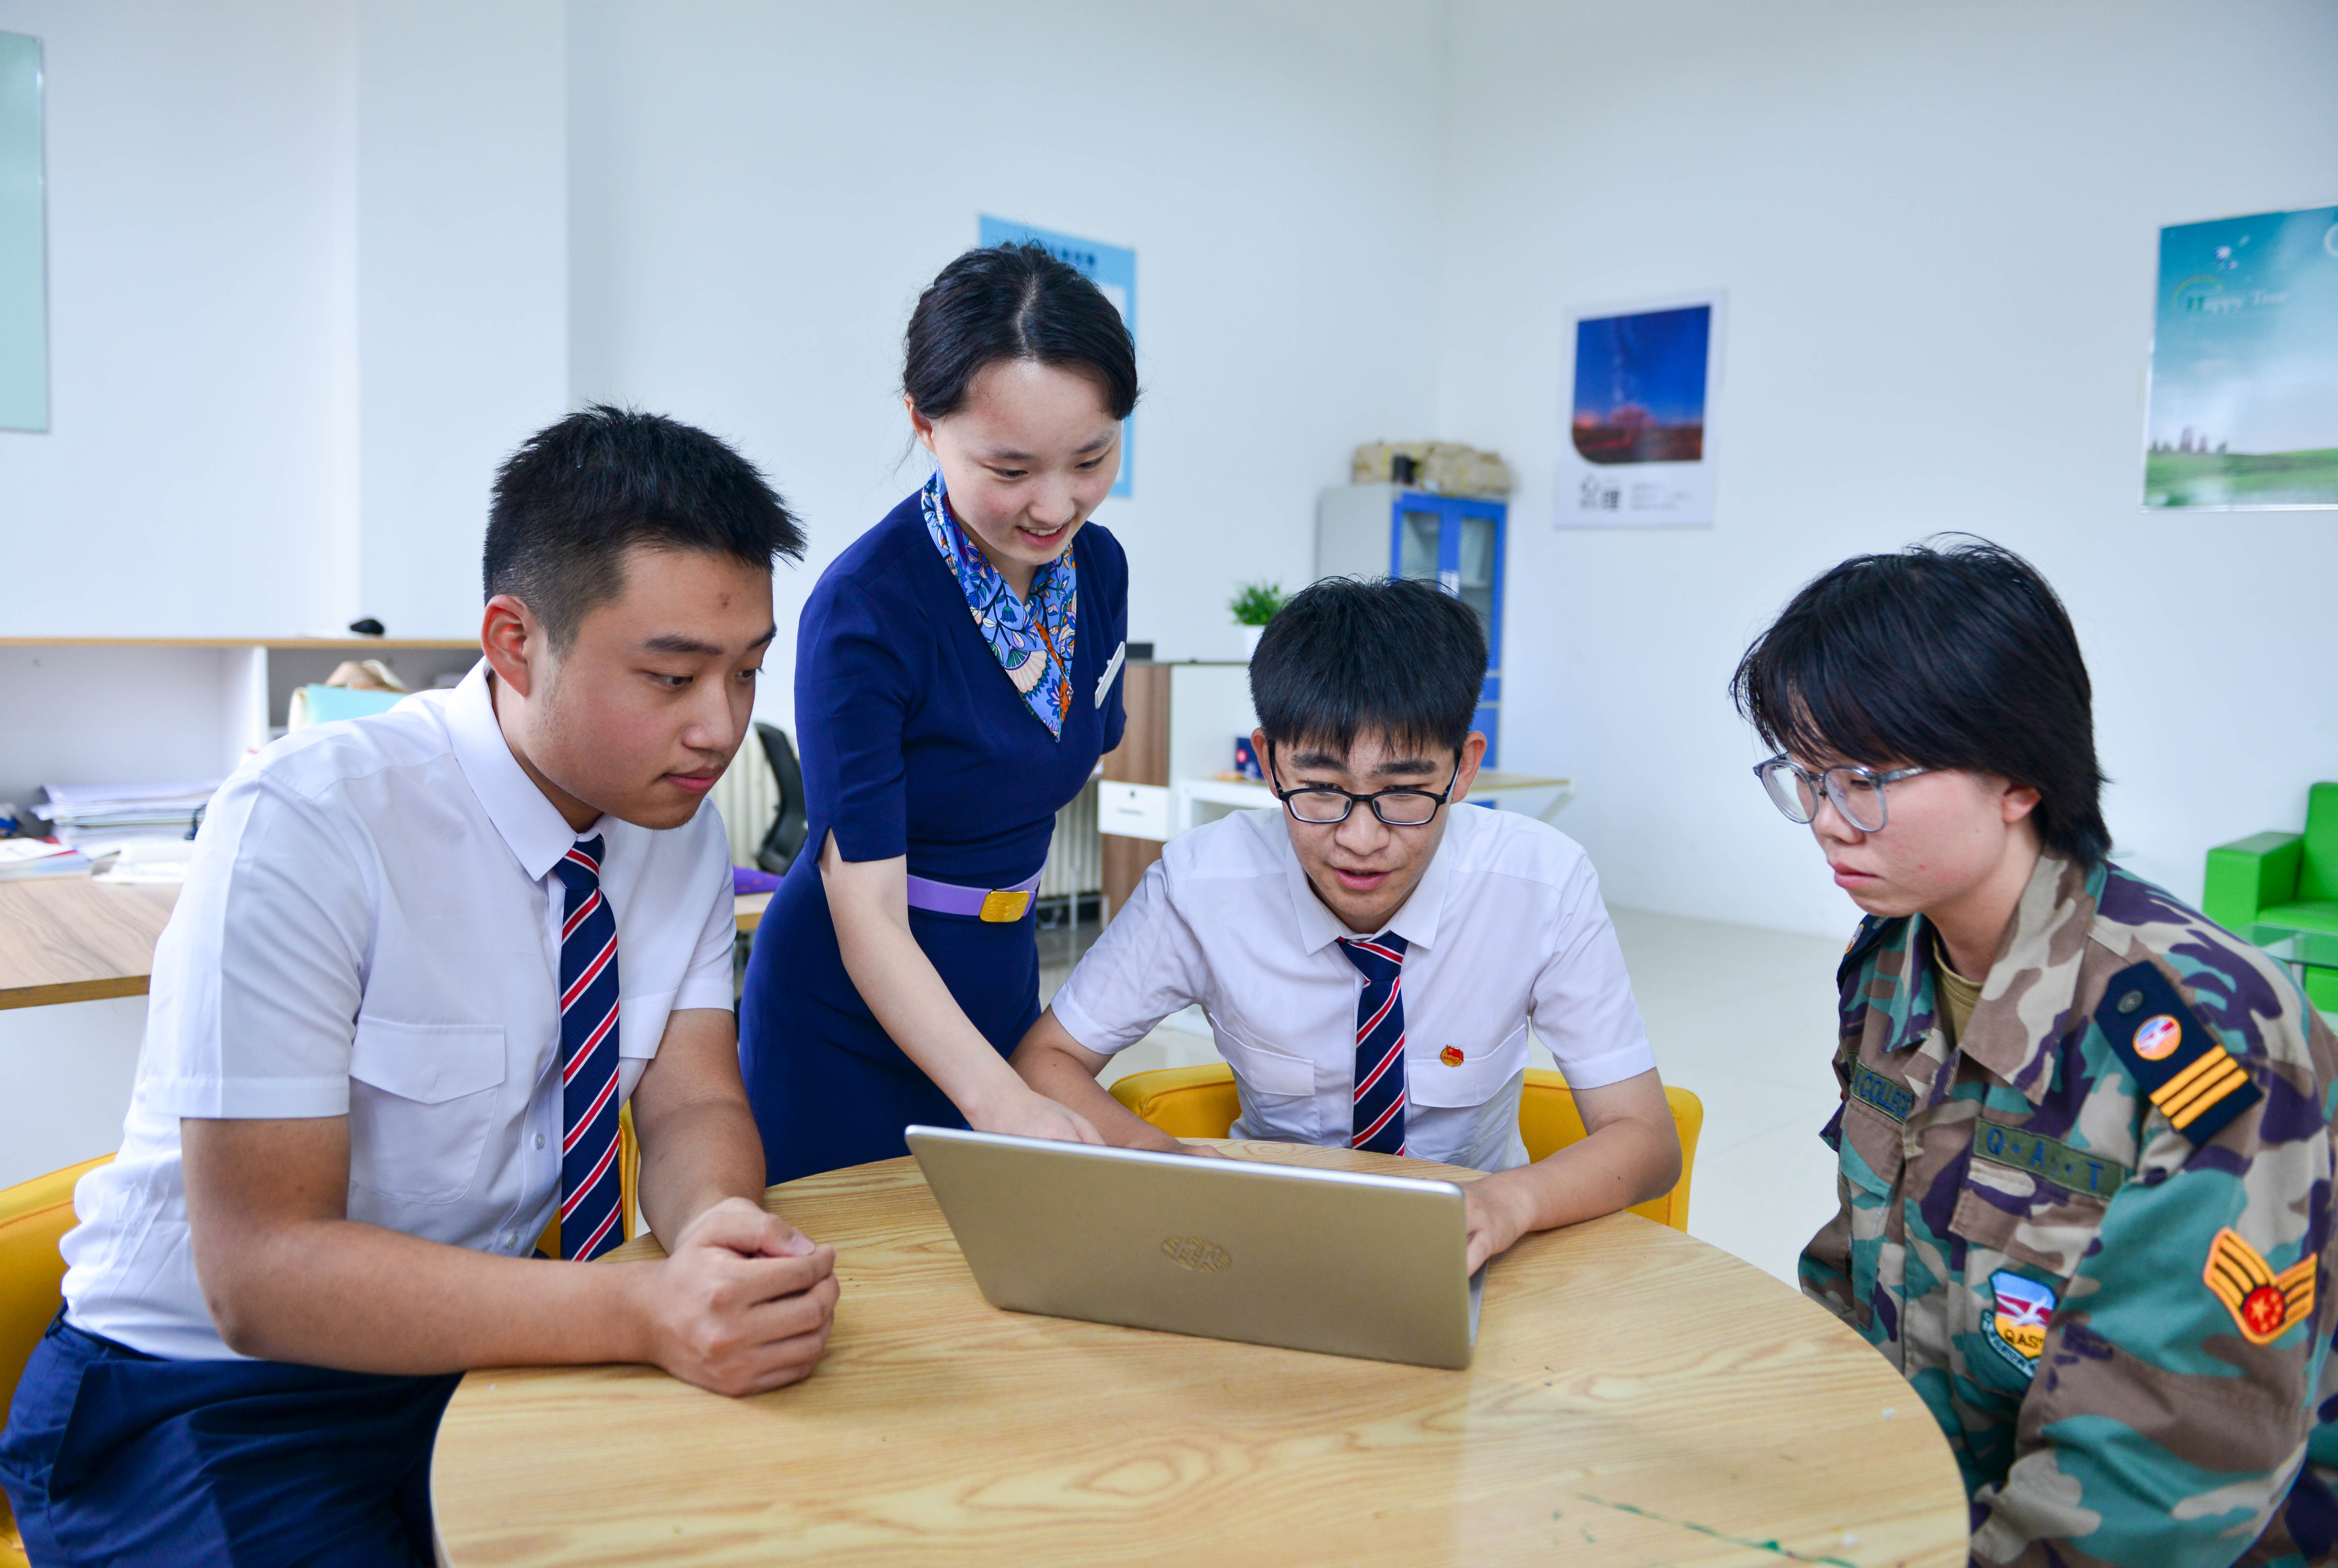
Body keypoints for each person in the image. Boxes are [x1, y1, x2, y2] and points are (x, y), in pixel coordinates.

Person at [0, 408, 841, 1567]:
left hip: (480, 1347)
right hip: (206, 1396)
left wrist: (716, 1234)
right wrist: (640, 1311)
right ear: (515, 642)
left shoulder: (676, 833)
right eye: (672, 675)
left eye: (747, 672)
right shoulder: (311, 820)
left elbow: (692, 1099)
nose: (721, 727)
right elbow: (263, 1273)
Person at [1731, 538, 2337, 1568]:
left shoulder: (2206, 1032)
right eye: (1809, 777)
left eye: (1866, 779)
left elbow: (2174, 1466)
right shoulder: (1891, 961)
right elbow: (1864, 1265)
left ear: (2017, 775)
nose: (1828, 823)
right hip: (1932, 1502)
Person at [1012, 576, 1682, 1271]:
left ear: (1463, 769)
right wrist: (1152, 1153)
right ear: (1269, 763)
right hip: (1265, 1241)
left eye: (1403, 792)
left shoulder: (1544, 885)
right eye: (1322, 789)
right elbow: (1043, 1059)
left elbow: (1646, 1139)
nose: (1362, 840)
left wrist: (1508, 1204)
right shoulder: (1200, 886)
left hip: (1477, 1247)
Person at [739, 242, 1136, 1181]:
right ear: (924, 422)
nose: (1055, 506)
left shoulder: (1099, 569)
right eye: (1010, 468)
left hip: (998, 981)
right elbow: (868, 910)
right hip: (848, 1009)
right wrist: (1002, 1101)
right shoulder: (866, 610)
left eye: (1090, 459)